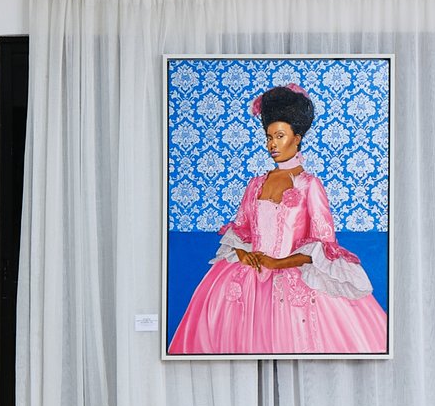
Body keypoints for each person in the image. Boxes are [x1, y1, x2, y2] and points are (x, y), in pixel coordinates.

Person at [166, 84, 388, 355]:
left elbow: (321, 246)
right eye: (269, 137)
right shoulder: (256, 184)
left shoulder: (309, 186)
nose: (272, 144)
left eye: (279, 136)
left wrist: (278, 263)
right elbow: (242, 231)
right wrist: (242, 253)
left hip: (291, 277)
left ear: (297, 137)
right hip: (248, 276)